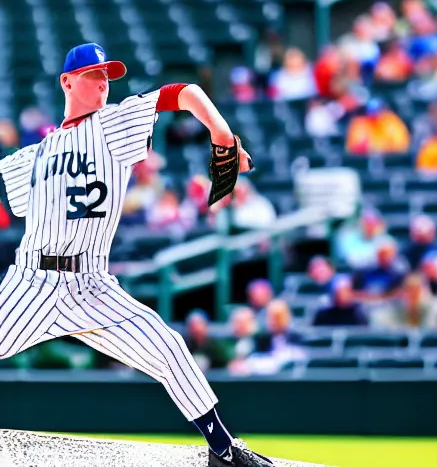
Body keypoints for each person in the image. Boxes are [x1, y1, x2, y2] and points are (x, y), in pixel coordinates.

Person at [0, 43, 272, 467]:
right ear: (67, 81)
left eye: (108, 73)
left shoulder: (112, 125)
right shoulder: (28, 158)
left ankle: (224, 449)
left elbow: (185, 92)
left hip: (92, 285)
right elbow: (13, 203)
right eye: (94, 73)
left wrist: (222, 135)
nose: (104, 79)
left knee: (168, 348)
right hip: (32, 283)